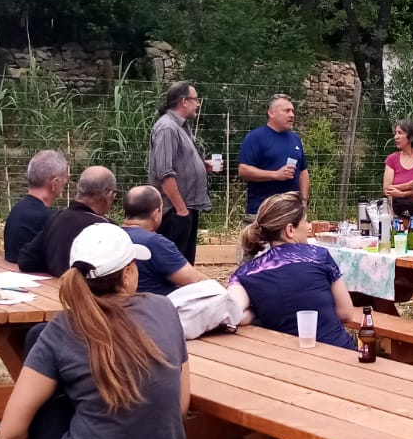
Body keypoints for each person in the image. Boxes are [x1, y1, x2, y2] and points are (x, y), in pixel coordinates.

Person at [0, 224, 190, 439]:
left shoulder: (61, 329)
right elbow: (179, 408)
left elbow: (10, 433)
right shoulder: (165, 309)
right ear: (128, 274)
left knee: (39, 342)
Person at [226, 192, 358, 348]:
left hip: (284, 361)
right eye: (305, 221)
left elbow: (232, 313)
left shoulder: (244, 274)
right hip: (339, 352)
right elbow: (346, 313)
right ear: (290, 230)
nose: (308, 226)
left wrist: (258, 313)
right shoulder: (319, 256)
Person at [149, 81, 217, 265]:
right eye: (196, 99)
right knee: (174, 266)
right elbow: (164, 172)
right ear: (184, 101)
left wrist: (201, 165)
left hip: (185, 208)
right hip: (173, 211)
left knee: (185, 263)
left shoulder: (181, 126)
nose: (198, 104)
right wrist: (181, 209)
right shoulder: (167, 128)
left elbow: (177, 162)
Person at [18, 166, 118, 277]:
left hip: (54, 289)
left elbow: (26, 260)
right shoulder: (107, 228)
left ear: (79, 189)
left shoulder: (57, 218)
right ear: (108, 195)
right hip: (87, 292)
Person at [122, 185, 206, 297]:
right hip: (154, 308)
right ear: (156, 214)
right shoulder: (154, 242)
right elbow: (195, 280)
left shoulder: (112, 236)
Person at [238, 95, 309, 220]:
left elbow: (303, 171)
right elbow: (243, 170)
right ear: (271, 113)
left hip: (292, 211)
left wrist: (303, 201)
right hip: (263, 212)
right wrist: (275, 175)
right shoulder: (256, 137)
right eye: (286, 111)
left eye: (292, 111)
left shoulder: (295, 139)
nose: (292, 115)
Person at [4, 150, 68, 262]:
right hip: (38, 278)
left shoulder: (16, 210)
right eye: (65, 179)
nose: (66, 182)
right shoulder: (49, 219)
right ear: (55, 183)